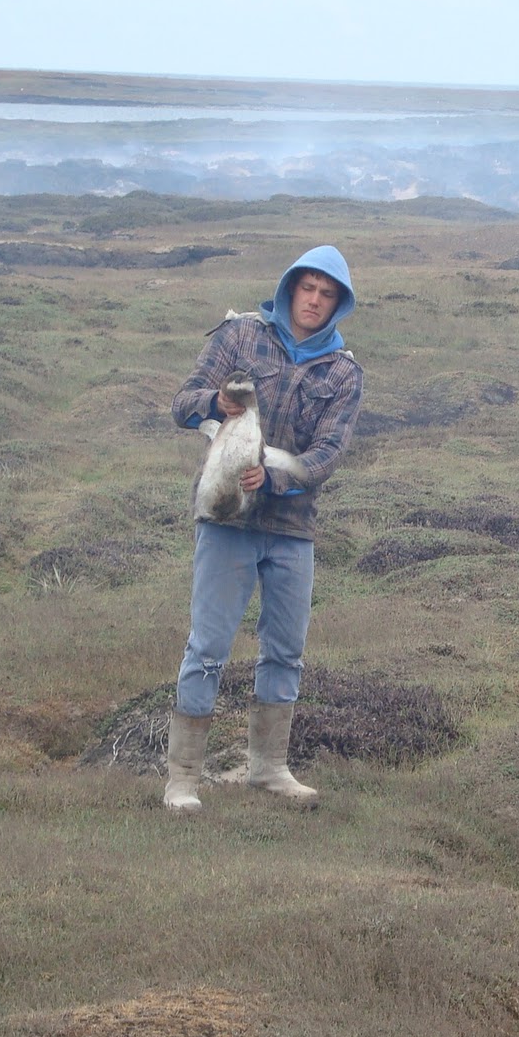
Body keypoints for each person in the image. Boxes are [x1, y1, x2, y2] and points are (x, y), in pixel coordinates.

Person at [164, 246, 362, 812]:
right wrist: (214, 402)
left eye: (327, 294)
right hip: (225, 520)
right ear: (290, 287)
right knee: (207, 647)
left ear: (338, 305)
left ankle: (269, 768)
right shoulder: (240, 337)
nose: (314, 300)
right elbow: (182, 403)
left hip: (292, 528)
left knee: (285, 652)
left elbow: (327, 454)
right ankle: (183, 778)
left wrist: (272, 482)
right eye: (308, 287)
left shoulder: (344, 372)